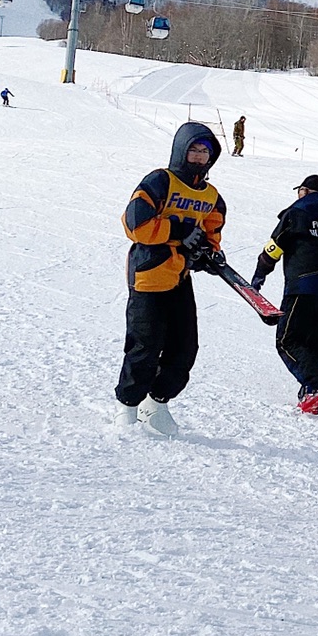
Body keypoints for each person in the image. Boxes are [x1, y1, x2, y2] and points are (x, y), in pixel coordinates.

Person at [116, 122, 226, 435]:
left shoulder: (210, 195)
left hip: (180, 277)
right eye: (194, 148)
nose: (199, 155)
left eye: (205, 151)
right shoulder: (160, 181)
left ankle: (157, 404)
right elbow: (135, 224)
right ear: (181, 149)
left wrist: (206, 251)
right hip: (149, 274)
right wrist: (178, 232)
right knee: (145, 346)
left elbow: (211, 228)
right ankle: (127, 408)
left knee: (184, 347)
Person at [251, 175, 318, 414]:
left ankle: (317, 384)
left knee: (287, 340)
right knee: (313, 343)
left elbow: (275, 246)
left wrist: (260, 274)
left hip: (303, 286)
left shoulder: (296, 214)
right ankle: (311, 393)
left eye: (300, 191)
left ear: (305, 192)